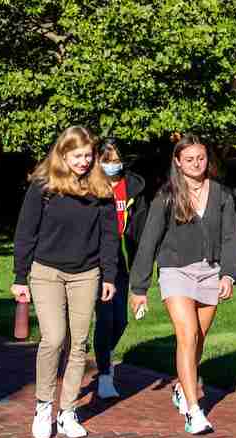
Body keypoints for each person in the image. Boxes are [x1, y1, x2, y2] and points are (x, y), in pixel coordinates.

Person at [128, 134, 236, 435]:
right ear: (178, 162)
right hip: (175, 270)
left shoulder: (221, 195)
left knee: (198, 339)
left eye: (201, 158)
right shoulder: (166, 196)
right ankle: (194, 410)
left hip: (210, 271)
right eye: (189, 159)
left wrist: (229, 274)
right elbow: (149, 241)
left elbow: (231, 237)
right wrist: (139, 288)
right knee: (187, 335)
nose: (196, 164)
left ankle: (181, 386)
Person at [12, 126, 118, 438]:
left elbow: (109, 236)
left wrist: (109, 275)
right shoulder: (43, 187)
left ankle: (68, 410)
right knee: (54, 338)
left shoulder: (100, 189)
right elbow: (25, 233)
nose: (84, 161)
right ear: (63, 154)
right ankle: (44, 405)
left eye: (88, 155)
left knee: (79, 343)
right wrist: (20, 277)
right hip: (47, 272)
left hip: (86, 274)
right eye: (77, 156)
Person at [94, 137, 148, 399]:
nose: (111, 166)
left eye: (116, 161)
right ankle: (105, 374)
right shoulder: (90, 185)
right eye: (106, 161)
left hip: (118, 261)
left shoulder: (134, 188)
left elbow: (138, 235)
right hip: (91, 262)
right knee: (104, 320)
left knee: (120, 321)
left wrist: (142, 280)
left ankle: (104, 352)